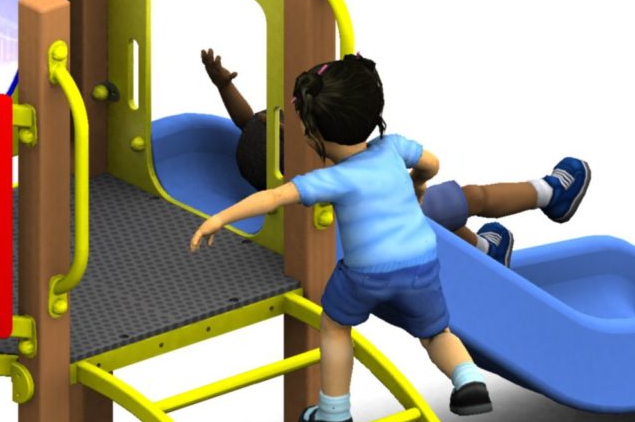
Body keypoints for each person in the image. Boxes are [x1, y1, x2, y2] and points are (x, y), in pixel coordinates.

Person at [187, 53, 493, 422]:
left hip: (365, 274)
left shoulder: (331, 179)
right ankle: (467, 379)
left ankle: (334, 413)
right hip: (421, 263)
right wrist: (418, 182)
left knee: (334, 326)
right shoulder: (395, 148)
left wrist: (219, 218)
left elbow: (274, 197)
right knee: (435, 334)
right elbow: (433, 163)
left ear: (313, 134)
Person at [200, 46, 589, 264]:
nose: (290, 115)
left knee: (451, 223)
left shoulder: (303, 175)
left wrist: (223, 86)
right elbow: (428, 165)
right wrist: (418, 181)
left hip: (388, 223)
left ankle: (488, 251)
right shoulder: (328, 168)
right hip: (403, 214)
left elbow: (247, 121)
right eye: (289, 121)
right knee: (473, 198)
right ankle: (552, 193)